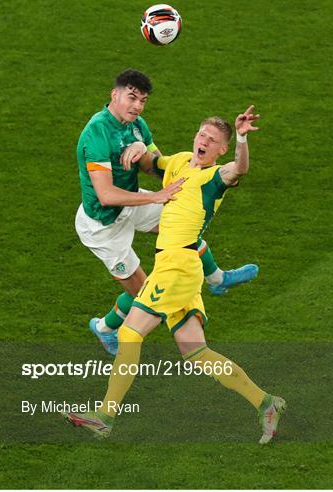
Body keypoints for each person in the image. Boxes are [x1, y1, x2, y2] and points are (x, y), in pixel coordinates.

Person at [64, 105, 286, 444]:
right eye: (201, 134)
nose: (203, 141)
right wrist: (140, 151)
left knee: (131, 334)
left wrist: (241, 138)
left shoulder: (215, 178)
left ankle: (105, 416)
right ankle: (266, 402)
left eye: (212, 140)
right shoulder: (181, 161)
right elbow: (156, 163)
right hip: (181, 268)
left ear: (220, 149)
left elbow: (239, 169)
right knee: (197, 353)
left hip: (175, 269)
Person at [76, 69, 258, 356]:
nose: (137, 106)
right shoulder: (96, 133)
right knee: (144, 291)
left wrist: (140, 148)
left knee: (183, 227)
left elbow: (155, 166)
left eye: (143, 100)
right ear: (115, 95)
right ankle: (104, 328)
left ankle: (217, 279)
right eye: (131, 97)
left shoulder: (137, 126)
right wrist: (159, 197)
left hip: (132, 204)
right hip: (103, 224)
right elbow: (106, 195)